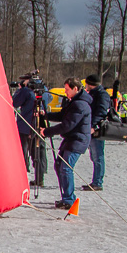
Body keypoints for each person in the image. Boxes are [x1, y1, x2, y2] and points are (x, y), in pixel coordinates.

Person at [41, 77, 92, 209]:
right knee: (59, 166)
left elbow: (67, 125)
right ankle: (67, 196)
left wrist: (47, 131)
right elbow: (62, 115)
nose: (65, 92)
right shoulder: (72, 102)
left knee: (65, 168)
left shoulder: (80, 104)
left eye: (67, 89)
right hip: (70, 139)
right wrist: (45, 114)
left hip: (77, 140)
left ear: (75, 89)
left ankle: (69, 199)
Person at [11, 76, 46, 186]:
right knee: (39, 152)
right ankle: (40, 176)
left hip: (26, 125)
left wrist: (20, 90)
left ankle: (22, 175)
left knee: (24, 152)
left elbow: (14, 103)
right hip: (39, 124)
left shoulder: (26, 91)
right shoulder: (42, 90)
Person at [83, 75, 111, 191]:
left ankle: (98, 182)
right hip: (91, 127)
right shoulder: (94, 93)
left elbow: (101, 112)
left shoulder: (101, 94)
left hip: (97, 129)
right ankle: (96, 180)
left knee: (98, 155)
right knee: (94, 156)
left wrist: (93, 125)